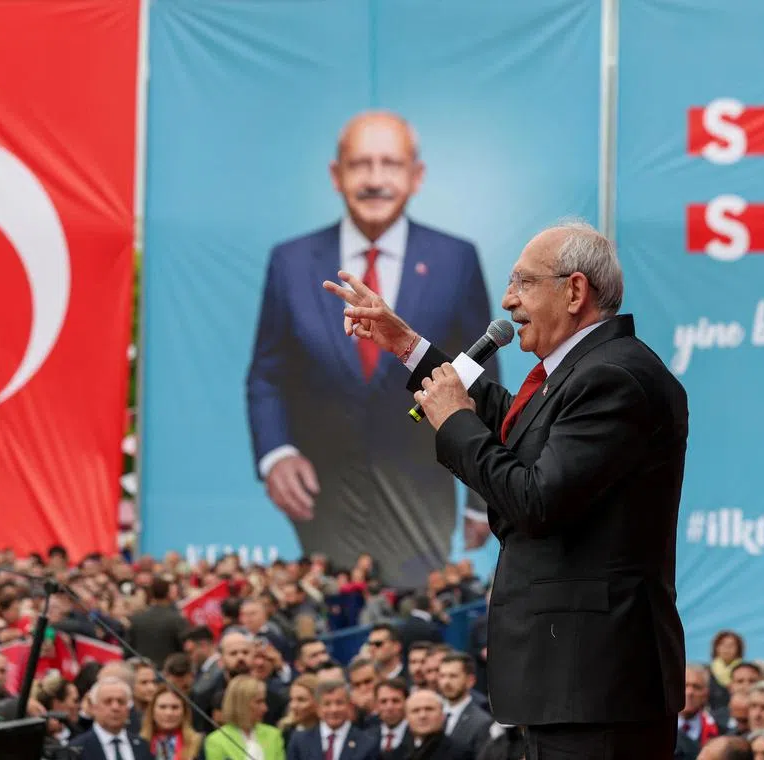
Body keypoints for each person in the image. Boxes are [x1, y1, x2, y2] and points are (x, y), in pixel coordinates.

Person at [324, 219, 689, 760]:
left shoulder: (614, 376)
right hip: (571, 686)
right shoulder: (582, 371)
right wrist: (406, 345)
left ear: (574, 291)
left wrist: (452, 422)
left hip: (596, 689)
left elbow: (537, 500)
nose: (507, 300)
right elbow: (508, 423)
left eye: (522, 282)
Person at [246, 109, 500, 588]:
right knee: (327, 631)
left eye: (391, 164)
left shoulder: (455, 260)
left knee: (414, 629)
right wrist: (276, 454)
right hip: (320, 498)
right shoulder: (291, 261)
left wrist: (481, 495)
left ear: (416, 176)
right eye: (361, 164)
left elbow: (480, 376)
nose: (375, 179)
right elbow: (267, 374)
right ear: (336, 175)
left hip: (423, 492)